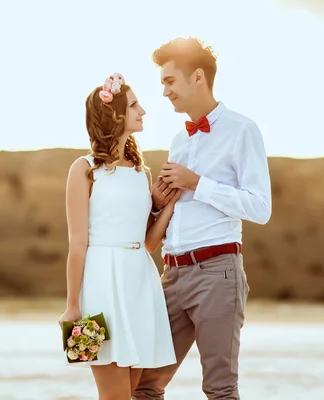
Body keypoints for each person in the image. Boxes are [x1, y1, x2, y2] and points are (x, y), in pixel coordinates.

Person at [132, 38, 273, 400]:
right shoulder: (180, 139)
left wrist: (197, 182)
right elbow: (177, 207)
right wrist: (158, 202)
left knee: (219, 389)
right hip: (172, 274)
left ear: (197, 77)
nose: (164, 92)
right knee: (144, 384)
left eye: (169, 81)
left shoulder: (243, 130)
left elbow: (260, 207)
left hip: (218, 273)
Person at [58, 73, 178, 400]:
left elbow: (149, 244)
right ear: (117, 115)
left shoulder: (143, 172)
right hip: (100, 285)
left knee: (131, 393)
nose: (143, 111)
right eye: (135, 105)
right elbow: (77, 244)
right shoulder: (83, 169)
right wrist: (72, 306)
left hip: (140, 283)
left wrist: (168, 205)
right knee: (113, 397)